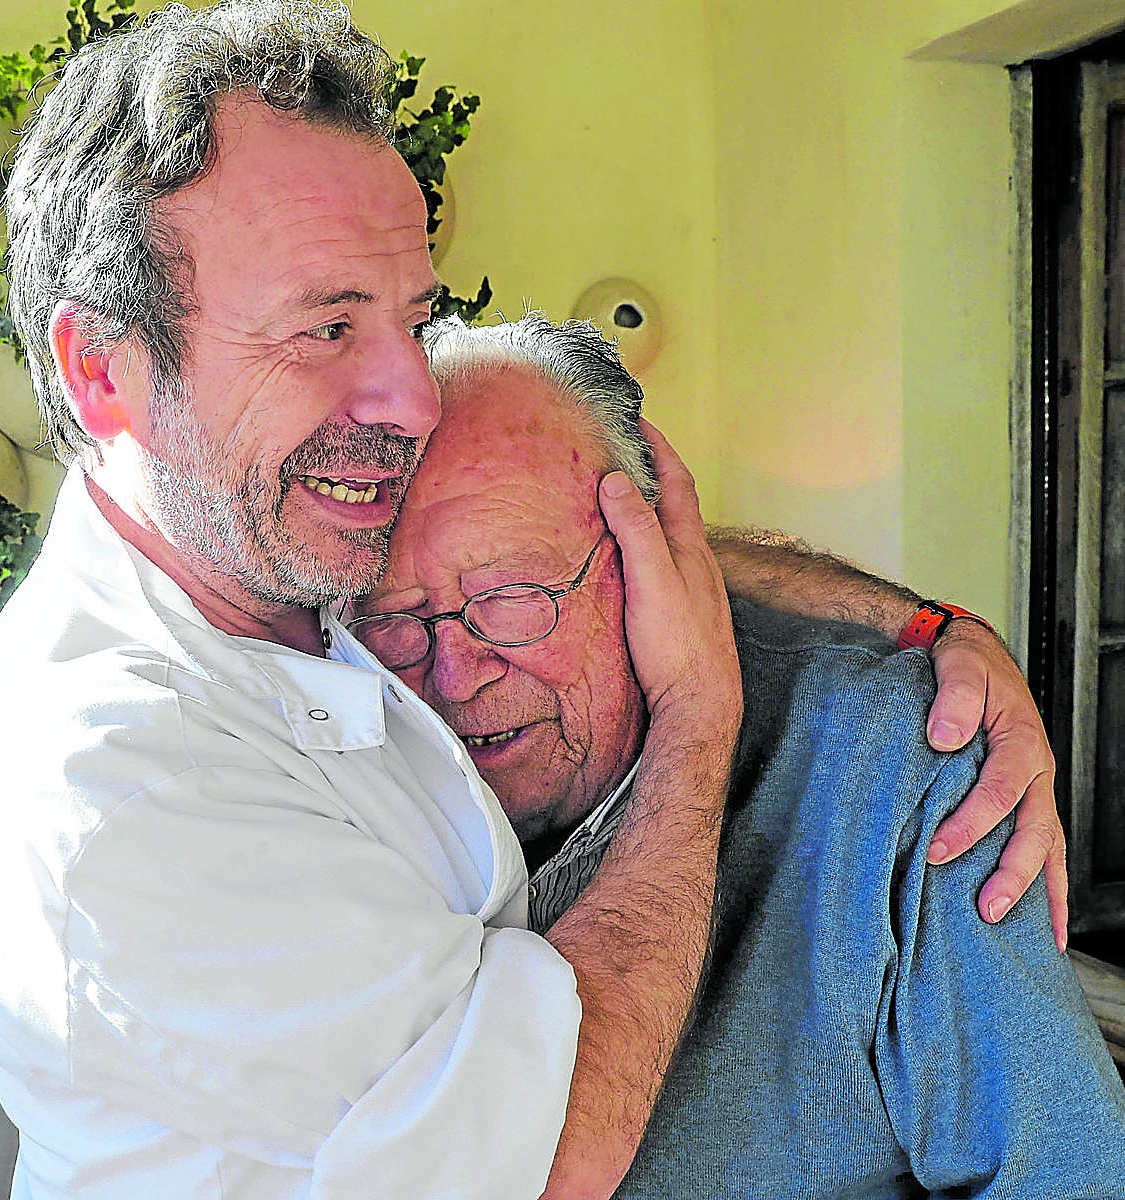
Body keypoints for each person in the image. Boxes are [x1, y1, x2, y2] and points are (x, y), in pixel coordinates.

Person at [0, 2, 1063, 1197]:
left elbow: (545, 512)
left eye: (409, 321)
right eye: (325, 327)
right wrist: (695, 721)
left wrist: (919, 624)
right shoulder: (126, 783)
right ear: (103, 370)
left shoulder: (254, 543)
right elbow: (550, 1154)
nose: (408, 400)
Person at [349, 312, 1125, 1197]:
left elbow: (1068, 1174)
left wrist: (929, 628)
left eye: (514, 596)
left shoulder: (892, 768)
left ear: (647, 569)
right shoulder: (320, 772)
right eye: (393, 618)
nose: (455, 673)